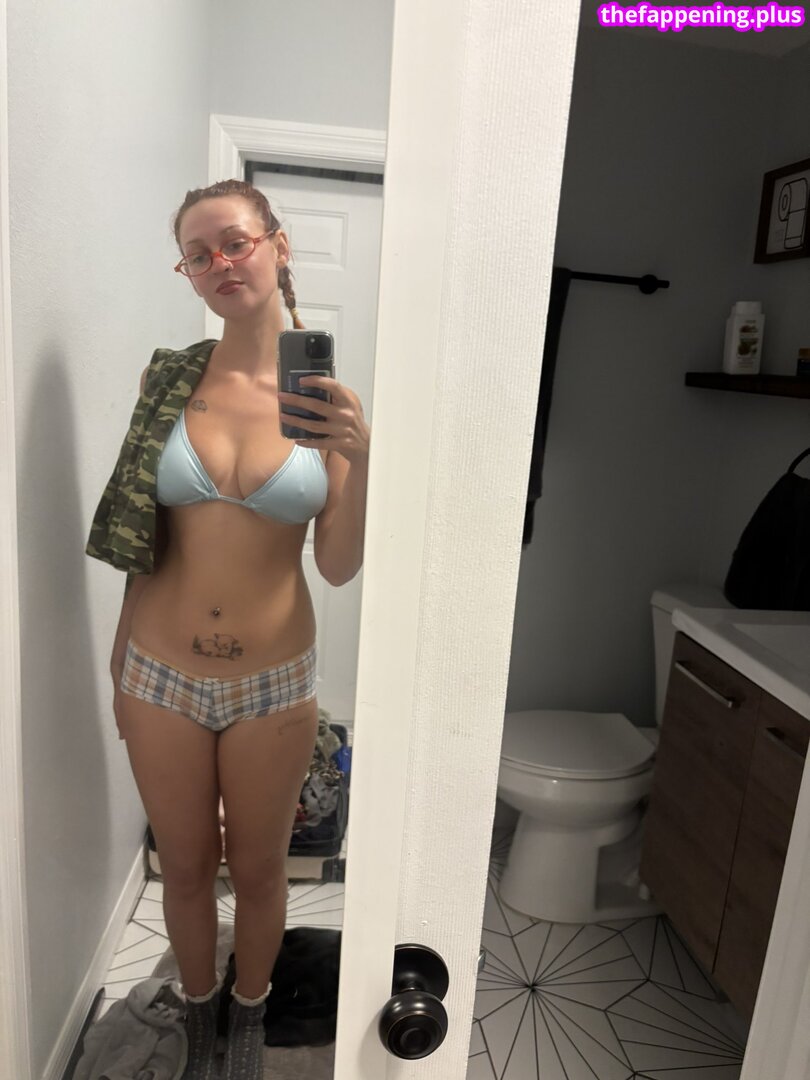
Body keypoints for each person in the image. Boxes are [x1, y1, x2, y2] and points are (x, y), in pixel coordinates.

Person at [86, 179, 370, 1080]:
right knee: (183, 866)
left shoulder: (326, 401)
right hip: (159, 672)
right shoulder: (169, 378)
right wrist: (119, 666)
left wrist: (359, 458)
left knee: (258, 871)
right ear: (189, 274)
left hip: (274, 683)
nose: (220, 263)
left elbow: (337, 565)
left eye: (236, 241)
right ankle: (201, 1015)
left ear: (278, 246)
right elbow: (144, 535)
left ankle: (249, 1021)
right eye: (198, 254)